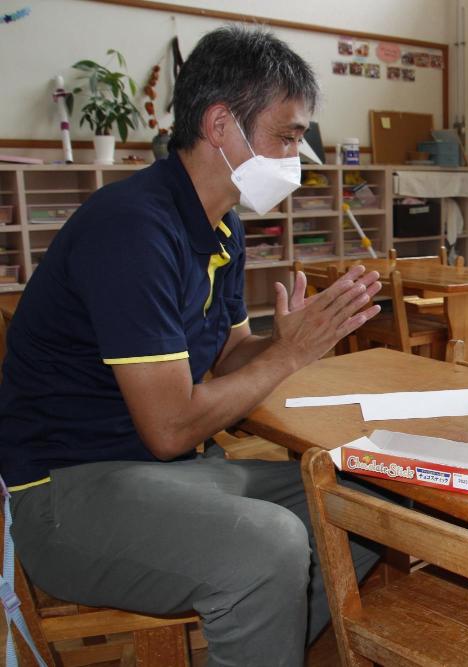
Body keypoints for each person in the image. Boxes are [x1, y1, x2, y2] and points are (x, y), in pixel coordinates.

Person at [0, 26, 382, 665]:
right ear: (220, 125)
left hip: (171, 476)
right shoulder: (133, 229)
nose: (296, 156)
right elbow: (170, 428)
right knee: (268, 547)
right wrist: (290, 357)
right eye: (286, 136)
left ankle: (258, 645)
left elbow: (228, 358)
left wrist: (284, 343)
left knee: (367, 503)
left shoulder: (219, 225)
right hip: (68, 491)